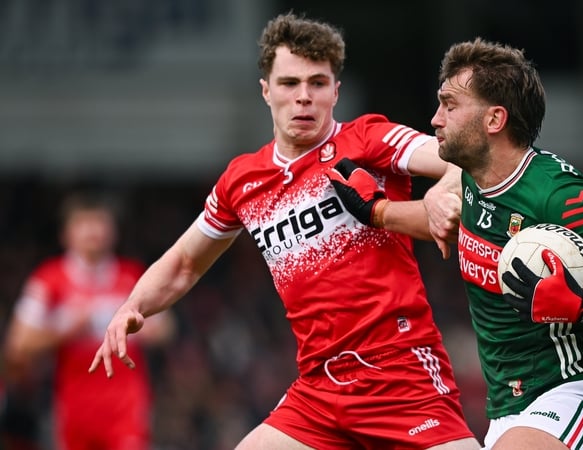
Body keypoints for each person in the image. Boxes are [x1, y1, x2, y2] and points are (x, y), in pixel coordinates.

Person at [89, 12, 480, 450]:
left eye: (317, 83)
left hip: (398, 373)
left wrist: (444, 191)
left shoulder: (366, 140)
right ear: (266, 90)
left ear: (336, 91)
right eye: (290, 83)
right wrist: (132, 305)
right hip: (319, 389)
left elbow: (458, 159)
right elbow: (184, 262)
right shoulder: (242, 180)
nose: (303, 97)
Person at [424, 38, 583, 449]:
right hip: (507, 413)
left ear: (494, 119)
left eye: (450, 105)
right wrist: (378, 212)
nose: (436, 118)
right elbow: (435, 217)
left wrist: (581, 303)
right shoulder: (471, 180)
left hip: (576, 395)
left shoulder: (558, 194)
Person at [3, 192, 175, 450]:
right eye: (84, 224)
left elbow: (166, 329)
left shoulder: (133, 275)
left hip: (126, 406)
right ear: (66, 234)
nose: (93, 232)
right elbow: (19, 343)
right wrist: (67, 328)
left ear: (114, 231)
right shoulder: (48, 280)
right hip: (74, 407)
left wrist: (133, 327)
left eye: (100, 223)